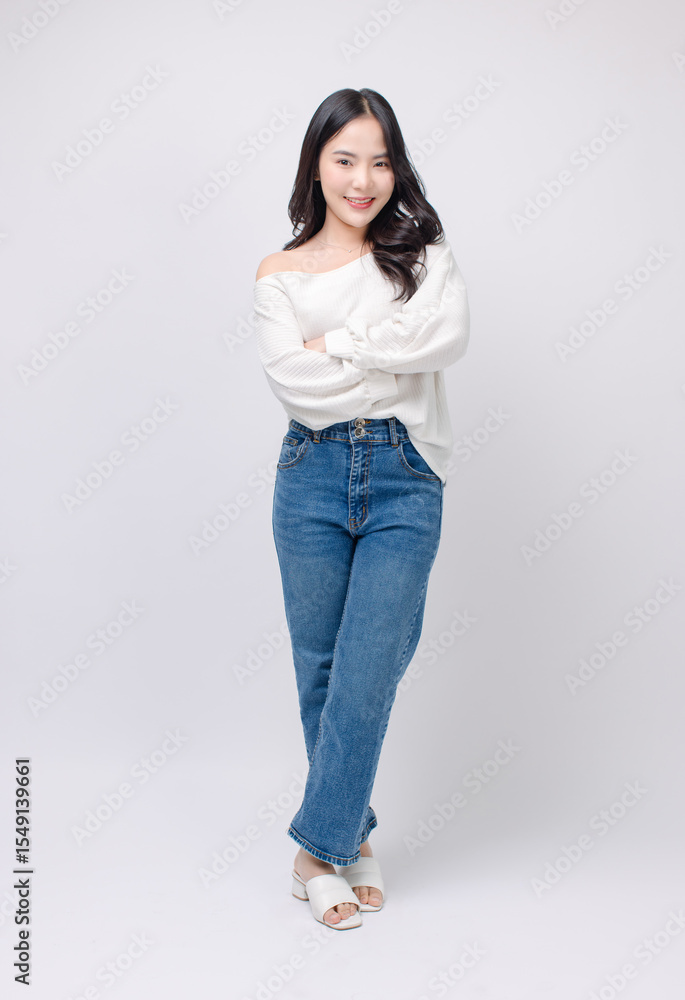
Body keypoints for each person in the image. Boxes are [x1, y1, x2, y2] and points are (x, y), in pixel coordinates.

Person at [252, 87, 470, 930]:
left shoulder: (421, 251)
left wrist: (340, 345)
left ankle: (315, 852)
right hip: (309, 474)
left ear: (395, 168)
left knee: (369, 664)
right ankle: (353, 839)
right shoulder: (279, 273)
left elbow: (444, 339)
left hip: (405, 473)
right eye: (345, 159)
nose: (363, 179)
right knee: (321, 668)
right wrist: (389, 360)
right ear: (316, 165)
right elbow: (296, 387)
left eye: (380, 161)